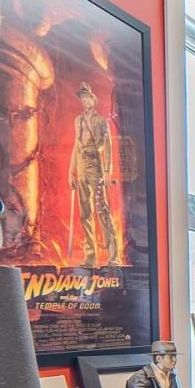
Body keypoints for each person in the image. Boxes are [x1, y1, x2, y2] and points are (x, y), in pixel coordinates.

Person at [69, 82, 115, 267]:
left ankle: (113, 256)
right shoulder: (78, 120)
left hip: (95, 164)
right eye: (82, 97)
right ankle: (90, 256)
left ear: (93, 99)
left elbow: (108, 147)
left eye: (87, 96)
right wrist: (70, 172)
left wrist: (107, 171)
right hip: (81, 165)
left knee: (102, 209)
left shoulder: (101, 121)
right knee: (85, 212)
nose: (84, 100)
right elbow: (76, 145)